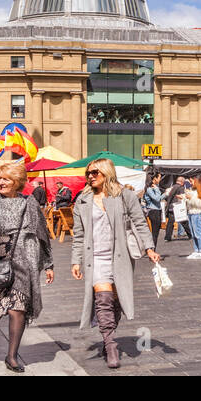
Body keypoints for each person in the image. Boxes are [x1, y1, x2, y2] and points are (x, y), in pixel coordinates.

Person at [69, 158, 160, 369]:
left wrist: (149, 248)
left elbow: (139, 222)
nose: (90, 176)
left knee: (116, 302)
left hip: (120, 257)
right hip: (96, 259)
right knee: (103, 299)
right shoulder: (83, 200)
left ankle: (107, 334)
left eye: (95, 172)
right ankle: (111, 345)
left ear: (106, 173)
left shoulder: (124, 196)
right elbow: (79, 235)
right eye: (88, 173)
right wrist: (76, 261)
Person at [0, 160, 54, 373]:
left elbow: (42, 234)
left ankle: (12, 356)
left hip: (23, 263)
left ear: (17, 181)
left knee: (18, 309)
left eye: (6, 179)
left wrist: (49, 264)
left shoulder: (29, 202)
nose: (0, 182)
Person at [184, 177, 201, 259]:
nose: (190, 183)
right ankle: (196, 250)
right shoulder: (193, 190)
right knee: (193, 233)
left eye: (191, 181)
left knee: (198, 232)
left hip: (197, 213)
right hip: (191, 213)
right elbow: (191, 202)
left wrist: (190, 198)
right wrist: (185, 198)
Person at [141, 175, 164, 248]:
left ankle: (153, 249)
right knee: (154, 233)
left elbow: (159, 199)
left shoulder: (152, 188)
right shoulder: (150, 189)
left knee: (156, 233)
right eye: (159, 177)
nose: (160, 179)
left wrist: (165, 194)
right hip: (153, 211)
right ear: (154, 178)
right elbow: (157, 199)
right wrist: (157, 189)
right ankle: (151, 250)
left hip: (157, 210)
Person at [163, 175, 187, 242]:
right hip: (177, 207)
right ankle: (191, 234)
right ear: (182, 182)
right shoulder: (181, 188)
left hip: (170, 207)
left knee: (170, 223)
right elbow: (182, 197)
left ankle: (167, 237)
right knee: (184, 222)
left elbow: (166, 197)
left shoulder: (172, 187)